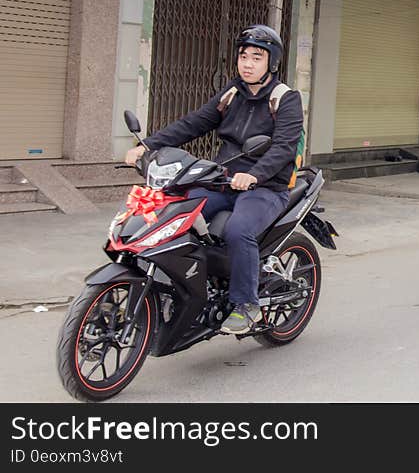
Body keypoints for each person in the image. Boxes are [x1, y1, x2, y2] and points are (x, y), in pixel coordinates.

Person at [124, 25, 303, 335]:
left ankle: (247, 305)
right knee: (175, 210)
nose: (247, 63)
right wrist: (149, 145)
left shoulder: (285, 99)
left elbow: (284, 147)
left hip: (267, 185)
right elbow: (194, 122)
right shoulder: (232, 93)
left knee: (238, 229)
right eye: (243, 56)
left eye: (256, 58)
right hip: (223, 179)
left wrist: (254, 175)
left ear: (271, 63)